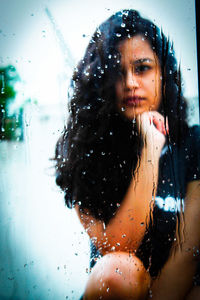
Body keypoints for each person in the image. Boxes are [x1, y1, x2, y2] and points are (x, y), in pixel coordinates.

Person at [55, 9, 200, 299]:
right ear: (100, 82)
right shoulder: (82, 151)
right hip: (118, 288)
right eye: (117, 72)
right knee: (119, 269)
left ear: (163, 73)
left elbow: (189, 250)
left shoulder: (192, 143)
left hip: (177, 287)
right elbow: (118, 250)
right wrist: (150, 149)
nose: (131, 82)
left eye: (143, 67)